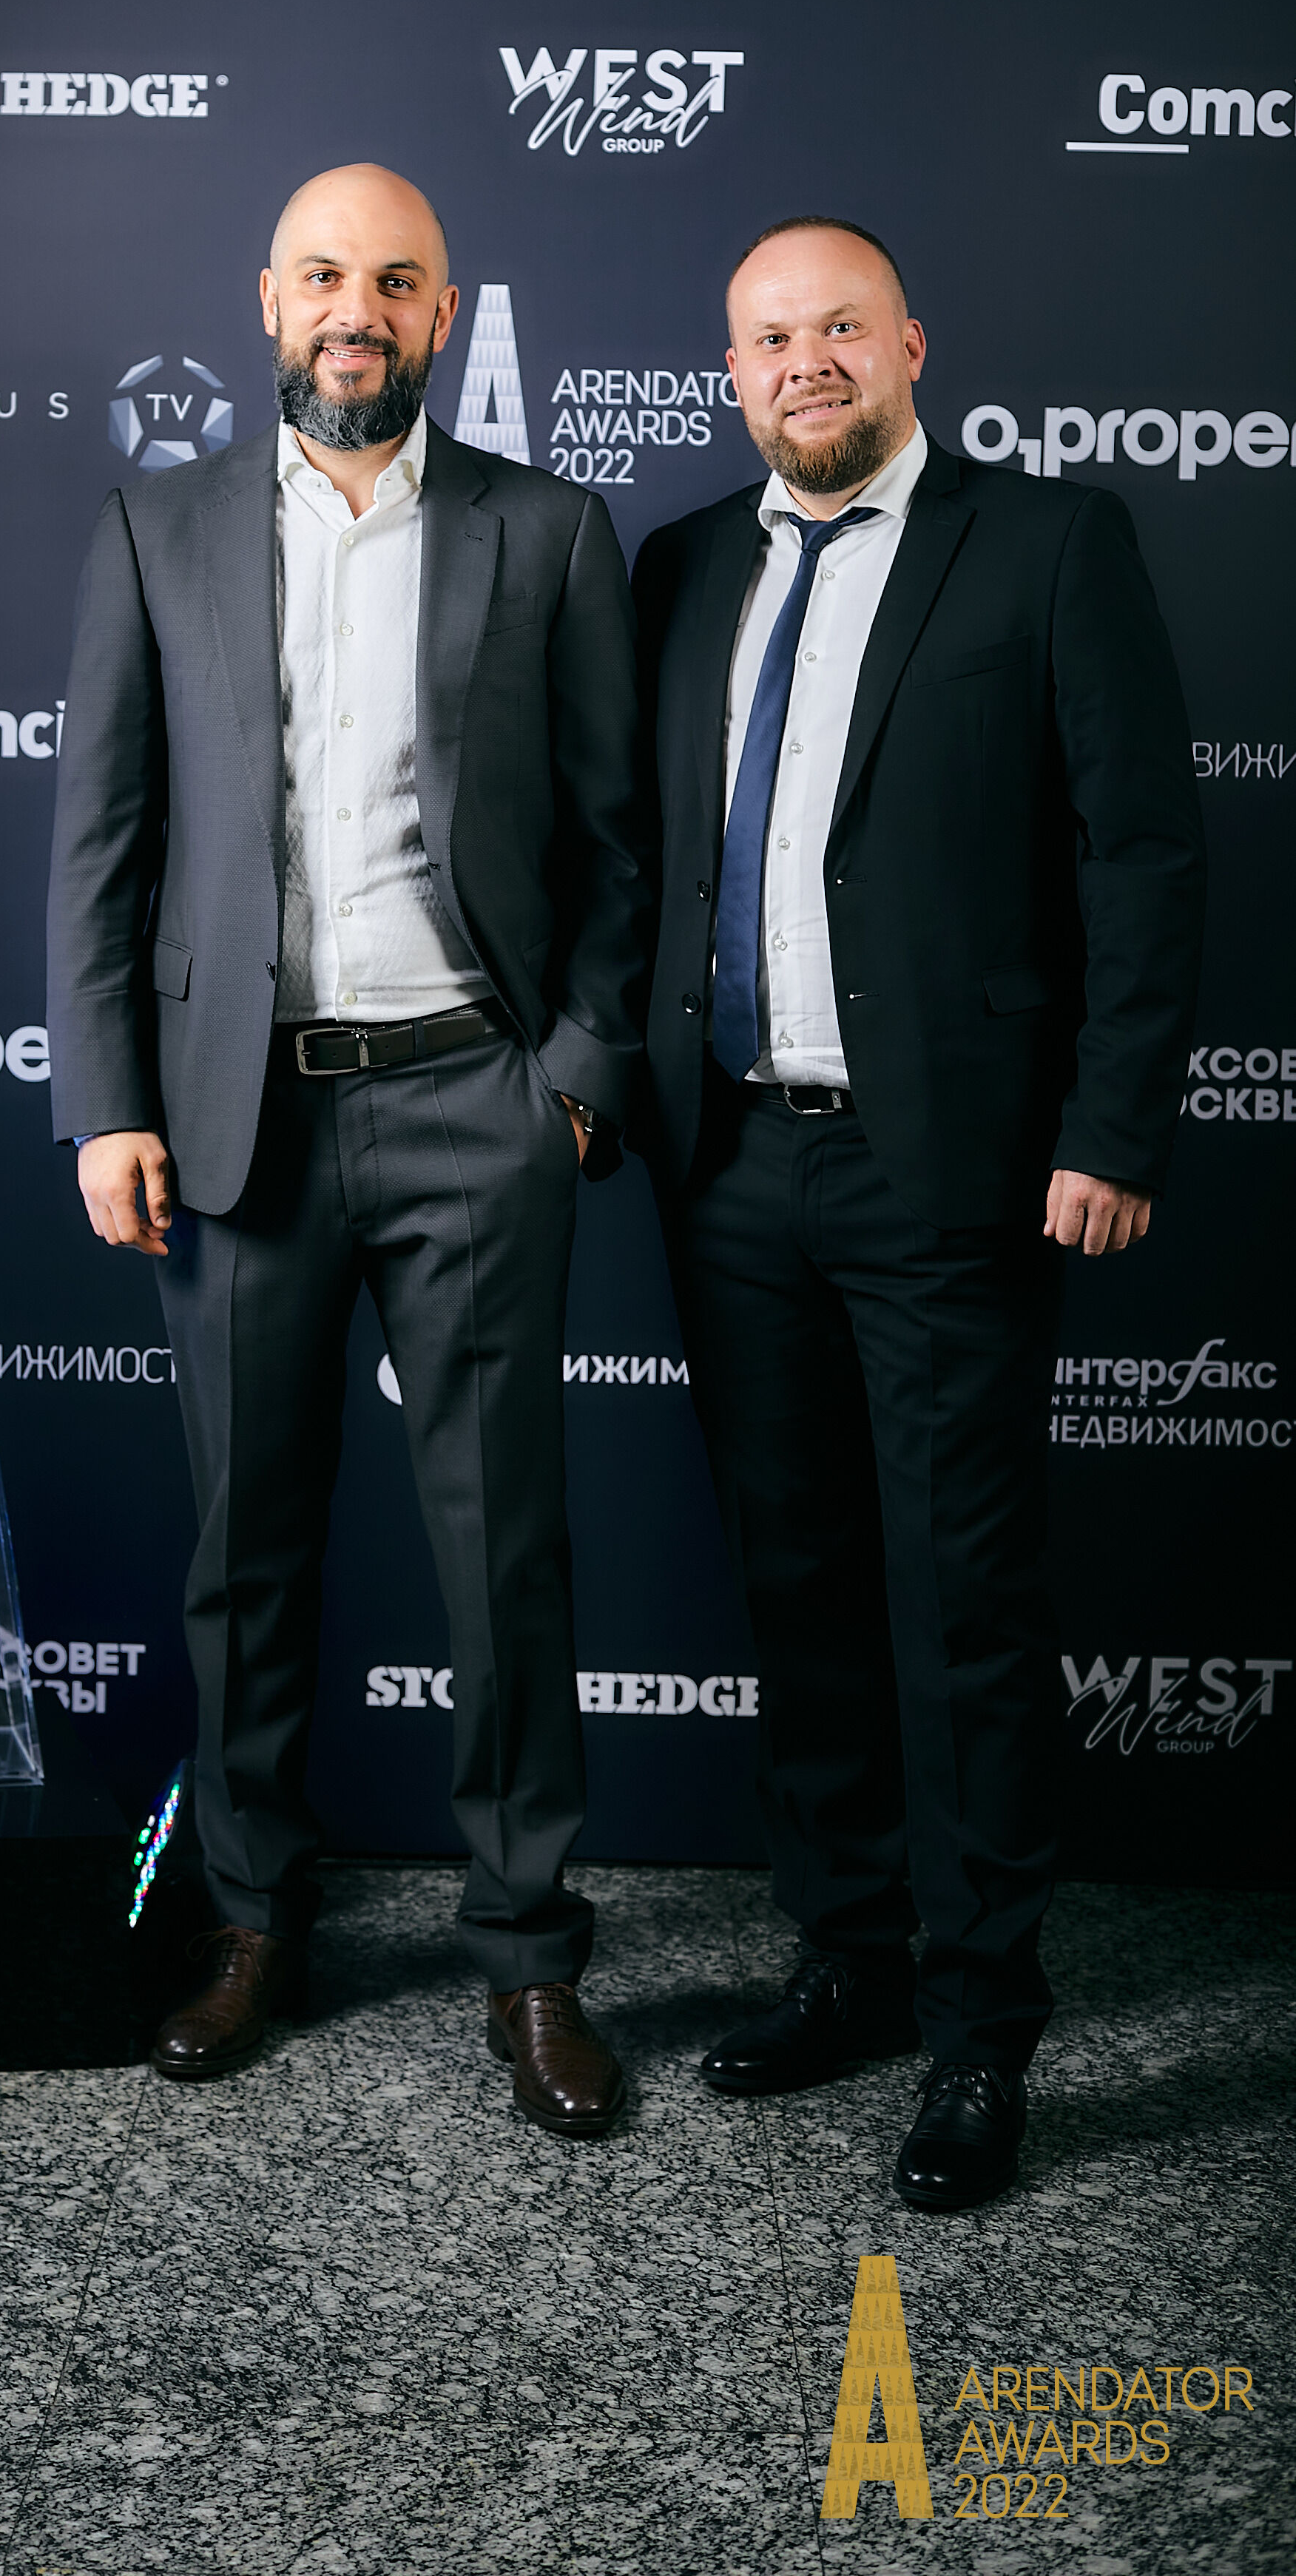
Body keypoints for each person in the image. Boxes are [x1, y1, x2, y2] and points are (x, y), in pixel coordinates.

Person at [47, 165, 654, 2133]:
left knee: (503, 1550)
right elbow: (102, 840)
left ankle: (530, 1951)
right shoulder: (157, 529)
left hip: (476, 1098)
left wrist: (575, 1073)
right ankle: (251, 1922)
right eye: (323, 276)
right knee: (246, 1555)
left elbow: (617, 841)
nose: (354, 311)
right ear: (267, 299)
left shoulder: (548, 531)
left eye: (393, 281)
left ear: (440, 311)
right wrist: (108, 1098)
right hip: (240, 1119)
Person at [634, 217, 1204, 2208]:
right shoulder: (682, 566)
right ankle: (847, 1959)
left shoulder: (1044, 544)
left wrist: (1112, 1128)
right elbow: (636, 849)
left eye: (838, 328)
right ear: (732, 371)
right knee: (796, 1588)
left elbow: (1141, 852)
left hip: (947, 1163)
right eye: (766, 336)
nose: (803, 361)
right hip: (729, 1157)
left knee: (961, 1605)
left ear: (908, 348)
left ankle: (978, 2028)